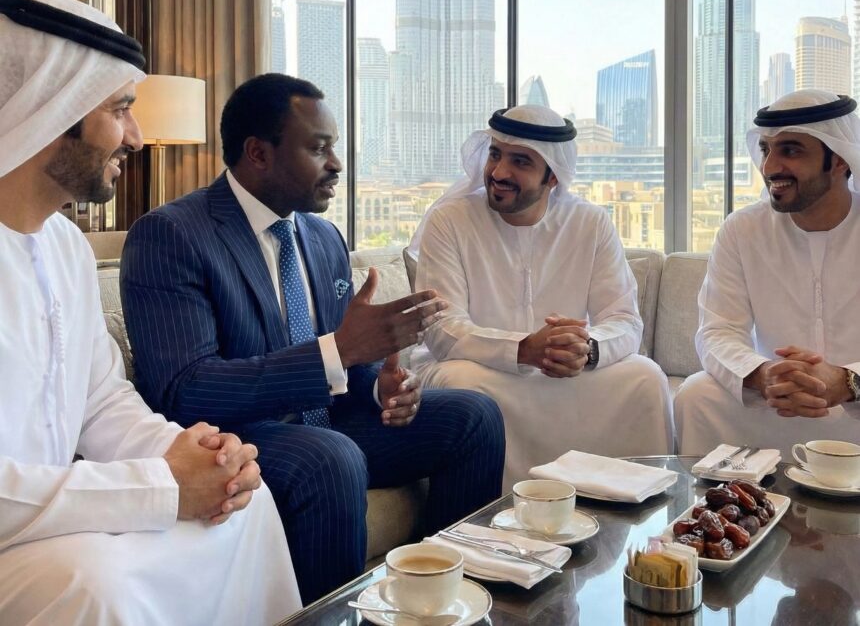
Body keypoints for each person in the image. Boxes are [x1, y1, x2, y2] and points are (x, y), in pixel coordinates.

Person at [121, 73, 506, 603]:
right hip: (240, 434)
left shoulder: (323, 237)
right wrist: (342, 351)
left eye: (335, 147)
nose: (337, 164)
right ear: (259, 153)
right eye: (319, 148)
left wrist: (381, 389)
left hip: (331, 423)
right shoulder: (171, 235)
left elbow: (344, 360)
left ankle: (445, 602)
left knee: (474, 416)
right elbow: (185, 388)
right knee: (330, 457)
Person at [0, 0, 299, 625]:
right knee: (93, 585)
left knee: (244, 507)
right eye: (120, 110)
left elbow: (101, 404)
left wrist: (204, 457)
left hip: (55, 519)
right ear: (53, 108)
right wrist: (160, 486)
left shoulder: (66, 246)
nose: (135, 137)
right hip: (22, 534)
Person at [408, 105, 674, 488]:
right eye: (495, 154)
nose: (499, 172)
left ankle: (636, 506)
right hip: (482, 369)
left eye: (520, 162)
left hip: (565, 372)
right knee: (461, 383)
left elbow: (625, 320)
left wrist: (587, 349)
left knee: (644, 378)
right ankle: (490, 514)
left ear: (553, 176)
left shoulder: (590, 222)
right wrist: (523, 349)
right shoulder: (450, 220)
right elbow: (442, 329)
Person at [675, 89, 860, 456]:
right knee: (697, 395)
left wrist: (847, 381)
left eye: (790, 151)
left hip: (856, 401)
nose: (770, 167)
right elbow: (717, 331)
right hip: (777, 401)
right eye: (765, 150)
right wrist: (762, 375)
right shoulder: (743, 229)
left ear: (839, 160)